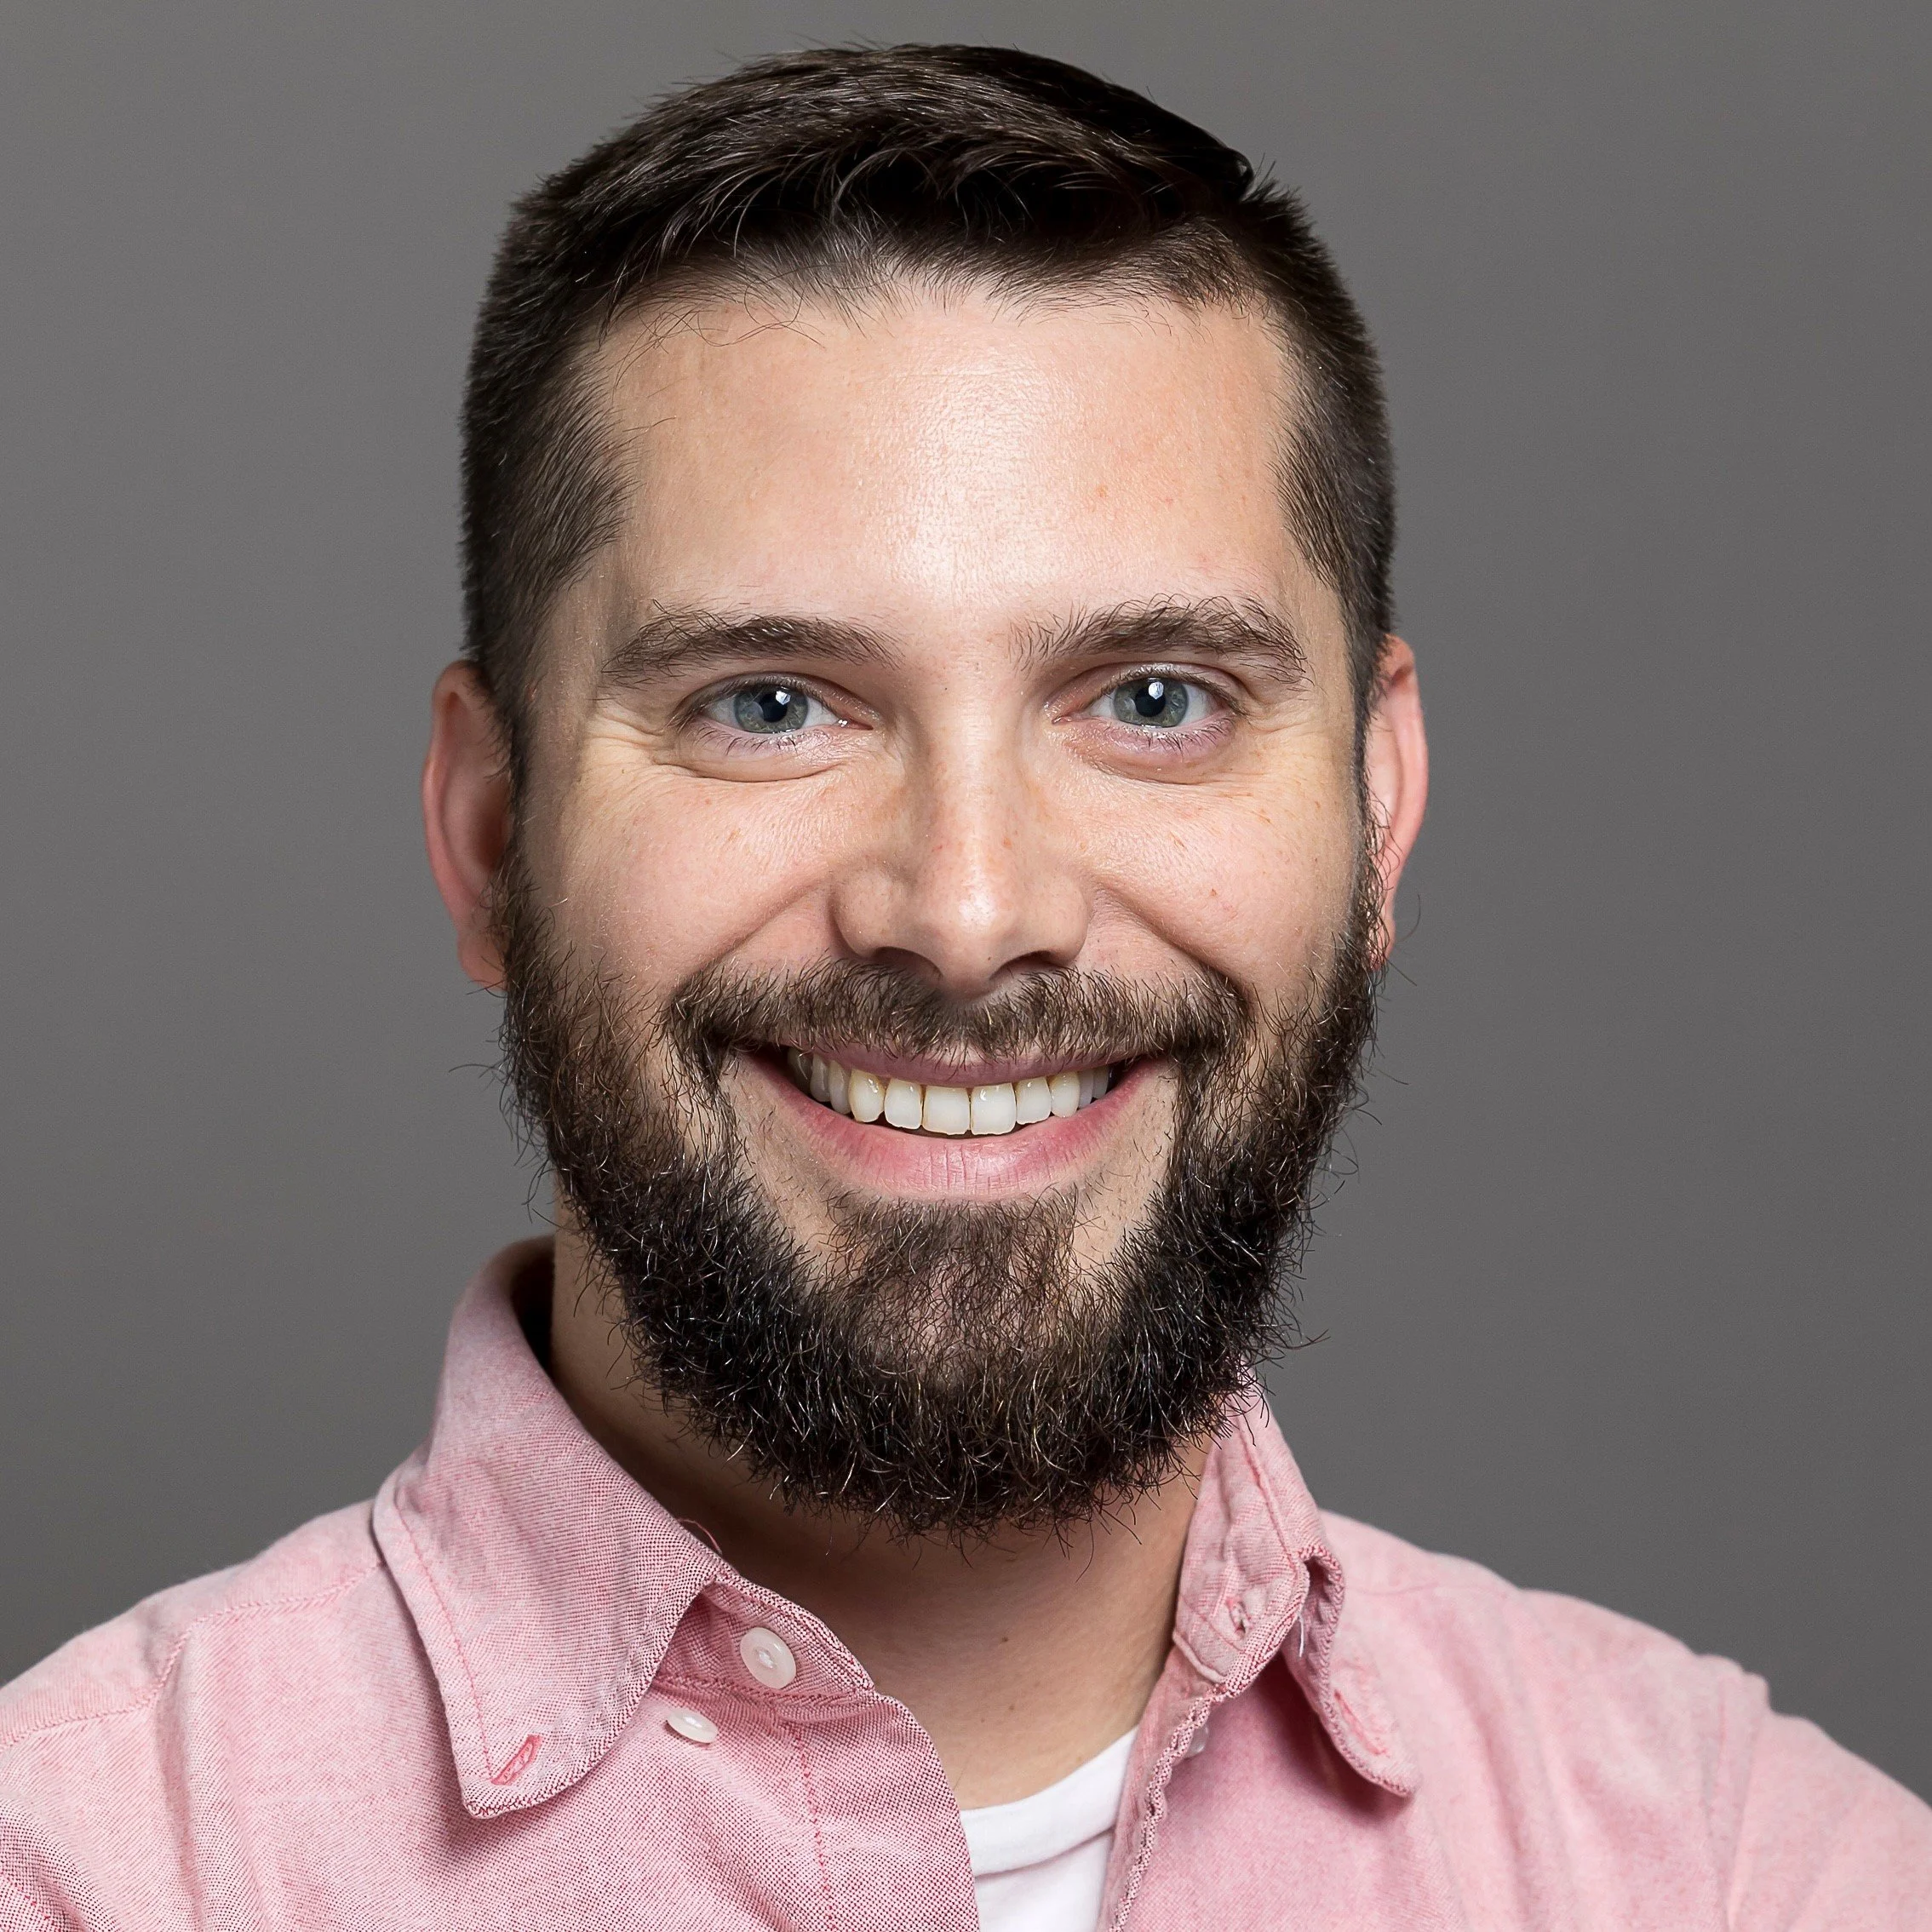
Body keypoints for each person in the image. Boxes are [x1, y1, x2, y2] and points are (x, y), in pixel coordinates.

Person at [2, 41, 1926, 1932]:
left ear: (1378, 802)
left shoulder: (1757, 1877)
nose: (971, 908)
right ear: (494, 829)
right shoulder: (79, 1873)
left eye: (1155, 703)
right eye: (771, 706)